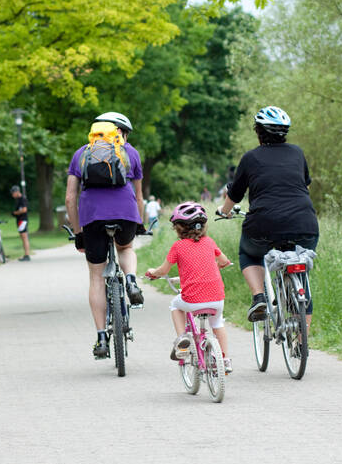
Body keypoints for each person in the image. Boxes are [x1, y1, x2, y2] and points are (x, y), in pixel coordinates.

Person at [217, 106, 319, 327]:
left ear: (258, 132)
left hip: (263, 225)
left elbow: (235, 194)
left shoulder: (251, 158)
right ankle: (301, 343)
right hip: (305, 224)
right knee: (301, 273)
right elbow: (304, 185)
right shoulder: (298, 153)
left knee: (249, 254)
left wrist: (223, 212)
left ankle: (259, 297)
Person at [65, 111, 146, 359]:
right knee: (126, 248)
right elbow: (140, 195)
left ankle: (101, 337)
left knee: (96, 276)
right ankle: (131, 280)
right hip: (125, 213)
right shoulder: (130, 153)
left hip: (92, 216)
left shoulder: (81, 154)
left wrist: (79, 232)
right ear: (121, 132)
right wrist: (139, 222)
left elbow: (70, 198)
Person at [145, 202, 233, 374]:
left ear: (179, 229)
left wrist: (152, 273)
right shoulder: (210, 242)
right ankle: (225, 359)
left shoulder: (178, 247)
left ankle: (182, 339)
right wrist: (216, 265)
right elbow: (224, 261)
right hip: (217, 299)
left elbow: (163, 270)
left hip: (192, 301)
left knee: (175, 305)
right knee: (217, 323)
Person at [10, 185, 31, 261]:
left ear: (17, 192)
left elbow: (24, 210)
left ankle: (27, 255)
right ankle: (26, 254)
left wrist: (15, 213)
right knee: (23, 237)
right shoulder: (18, 199)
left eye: (13, 193)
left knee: (24, 237)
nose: (12, 195)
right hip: (20, 220)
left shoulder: (22, 199)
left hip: (22, 220)